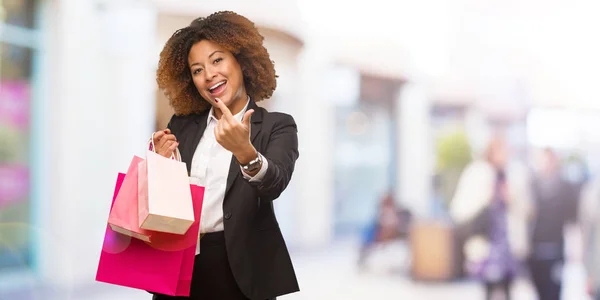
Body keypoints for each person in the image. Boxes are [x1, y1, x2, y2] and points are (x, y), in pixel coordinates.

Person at [150, 11, 299, 300]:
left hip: (240, 273)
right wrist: (160, 162)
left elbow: (275, 183)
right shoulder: (181, 125)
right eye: (197, 70)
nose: (209, 75)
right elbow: (166, 202)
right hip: (180, 266)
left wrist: (246, 153)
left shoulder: (277, 126)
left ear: (241, 61)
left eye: (217, 60)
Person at [450, 136, 531, 300]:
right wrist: (487, 196)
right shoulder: (477, 173)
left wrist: (511, 197)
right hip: (486, 241)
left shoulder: (514, 174)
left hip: (508, 244)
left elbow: (528, 210)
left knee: (509, 288)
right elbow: (459, 208)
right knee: (488, 288)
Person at [528, 148, 579, 300]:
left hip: (556, 248)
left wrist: (575, 248)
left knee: (554, 292)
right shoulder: (532, 186)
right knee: (540, 291)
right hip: (535, 249)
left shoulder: (565, 187)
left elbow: (572, 220)